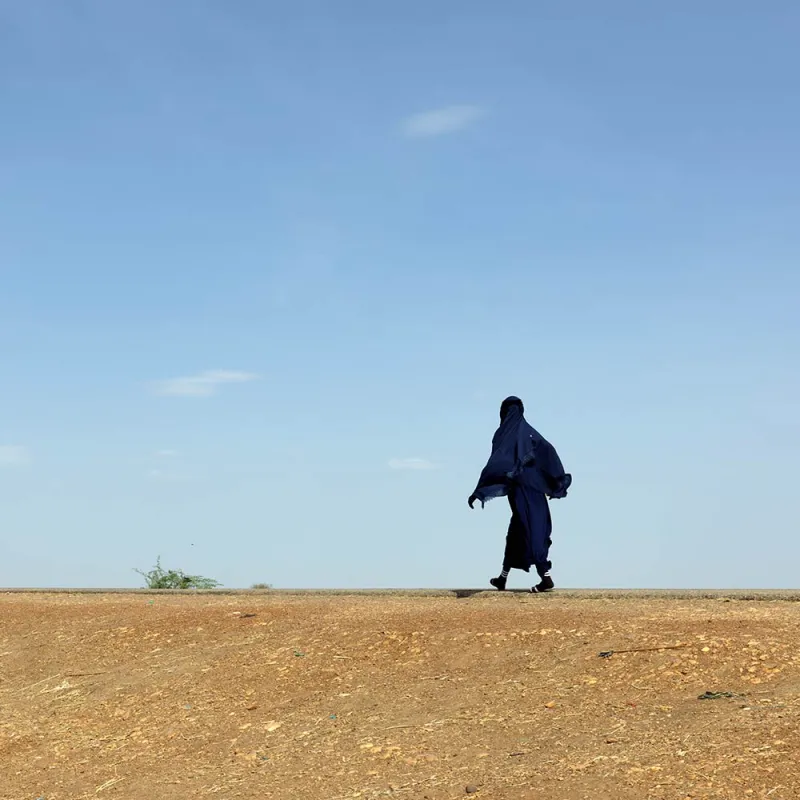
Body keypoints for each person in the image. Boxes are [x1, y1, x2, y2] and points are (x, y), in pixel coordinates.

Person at [468, 396, 572, 593]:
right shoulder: (529, 433)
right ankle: (502, 578)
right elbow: (547, 451)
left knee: (531, 532)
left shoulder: (506, 435)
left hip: (524, 493)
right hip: (529, 493)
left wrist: (480, 490)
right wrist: (554, 481)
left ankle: (546, 578)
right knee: (517, 534)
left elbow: (496, 464)